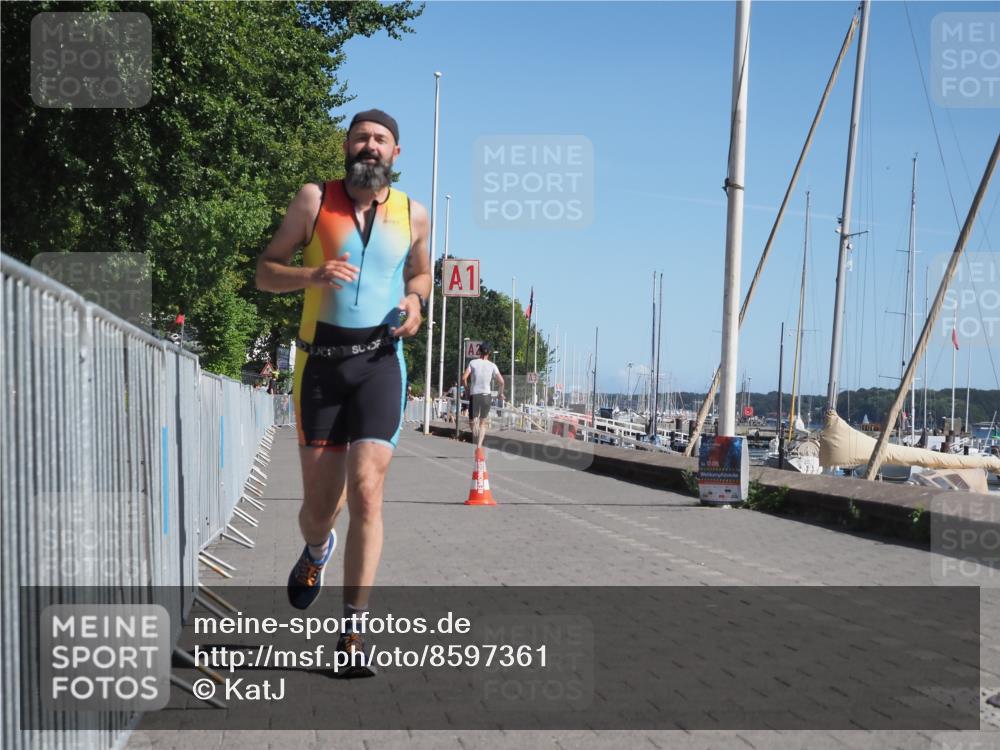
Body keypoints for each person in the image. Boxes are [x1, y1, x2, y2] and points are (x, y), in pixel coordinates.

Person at [255, 109, 431, 676]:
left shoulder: (414, 214)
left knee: (368, 493)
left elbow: (420, 275)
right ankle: (315, 551)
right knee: (318, 510)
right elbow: (265, 272)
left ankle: (353, 632)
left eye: (381, 140)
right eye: (361, 138)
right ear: (346, 147)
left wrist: (417, 304)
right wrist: (311, 276)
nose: (370, 147)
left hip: (381, 363)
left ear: (395, 155)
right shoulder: (315, 199)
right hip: (320, 369)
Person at [462, 343, 504, 451]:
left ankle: (476, 438)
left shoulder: (473, 363)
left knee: (472, 421)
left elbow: (464, 378)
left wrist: (467, 390)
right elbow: (501, 382)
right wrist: (500, 393)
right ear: (489, 353)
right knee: (483, 422)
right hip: (486, 395)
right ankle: (479, 445)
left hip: (475, 395)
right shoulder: (492, 365)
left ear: (479, 352)